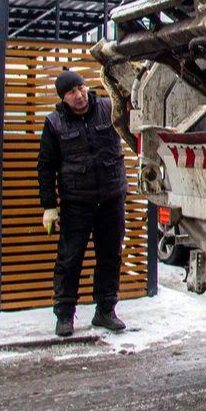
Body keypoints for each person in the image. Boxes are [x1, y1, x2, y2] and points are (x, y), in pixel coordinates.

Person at [37, 69, 128, 337]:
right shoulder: (54, 123)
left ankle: (106, 310)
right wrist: (49, 205)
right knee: (69, 259)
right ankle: (65, 315)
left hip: (112, 198)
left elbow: (134, 125)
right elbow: (45, 166)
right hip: (77, 202)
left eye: (81, 88)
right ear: (63, 98)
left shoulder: (109, 108)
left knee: (110, 256)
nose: (79, 96)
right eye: (71, 93)